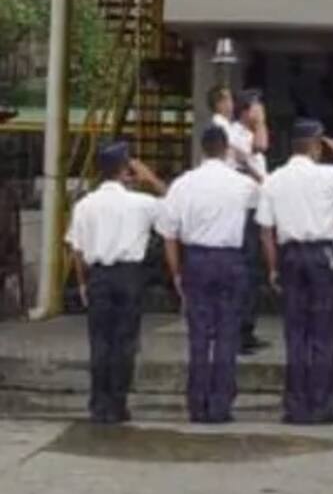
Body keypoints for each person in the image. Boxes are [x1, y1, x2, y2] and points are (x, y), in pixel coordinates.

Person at [256, 119, 333, 425]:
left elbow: (265, 231)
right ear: (316, 146)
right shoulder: (329, 175)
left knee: (296, 333)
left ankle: (296, 406)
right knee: (323, 333)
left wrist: (273, 267)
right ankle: (322, 405)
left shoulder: (273, 180)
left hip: (290, 257)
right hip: (322, 257)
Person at [158, 125, 260, 424]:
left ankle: (197, 403)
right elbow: (266, 189)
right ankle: (221, 405)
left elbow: (169, 234)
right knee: (228, 333)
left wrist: (176, 273)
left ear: (201, 148)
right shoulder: (239, 183)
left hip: (197, 259)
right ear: (226, 148)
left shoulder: (183, 184)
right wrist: (248, 162)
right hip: (229, 259)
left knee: (199, 335)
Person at [66, 142, 167, 424]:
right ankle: (118, 403)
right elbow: (174, 209)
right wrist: (151, 180)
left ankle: (99, 404)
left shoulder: (85, 204)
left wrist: (83, 283)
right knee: (125, 341)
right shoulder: (142, 203)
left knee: (99, 341)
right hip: (129, 276)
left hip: (98, 275)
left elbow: (76, 248)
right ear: (126, 170)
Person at [229, 89, 270, 354]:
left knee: (253, 274)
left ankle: (247, 329)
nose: (260, 112)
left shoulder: (248, 132)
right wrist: (261, 122)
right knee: (243, 273)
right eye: (256, 107)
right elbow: (262, 146)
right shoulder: (234, 134)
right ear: (246, 110)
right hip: (241, 211)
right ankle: (239, 332)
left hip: (255, 209)